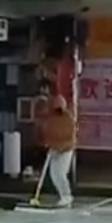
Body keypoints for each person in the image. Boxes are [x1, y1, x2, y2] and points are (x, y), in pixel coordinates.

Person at [39, 79, 76, 207]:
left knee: (59, 173)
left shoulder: (67, 118)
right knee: (54, 173)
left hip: (66, 149)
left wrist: (58, 146)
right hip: (55, 148)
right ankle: (64, 195)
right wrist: (49, 144)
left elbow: (69, 137)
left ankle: (66, 196)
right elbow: (48, 133)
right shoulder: (50, 118)